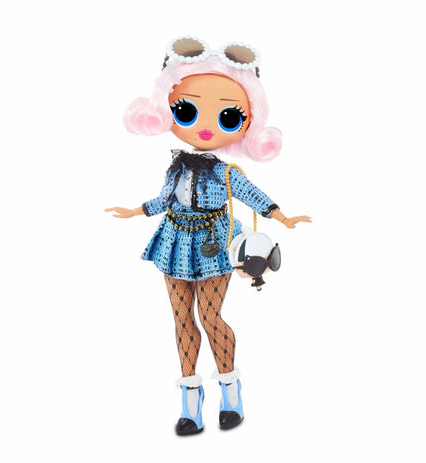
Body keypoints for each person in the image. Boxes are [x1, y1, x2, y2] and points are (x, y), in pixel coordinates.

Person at [106, 37, 311, 435]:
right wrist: (135, 210)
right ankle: (190, 402)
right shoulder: (176, 168)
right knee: (181, 319)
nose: (203, 127)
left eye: (228, 117)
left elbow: (253, 195)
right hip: (174, 241)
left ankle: (231, 391)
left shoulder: (226, 172)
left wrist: (283, 218)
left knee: (210, 315)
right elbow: (165, 200)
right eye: (186, 110)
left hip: (213, 242)